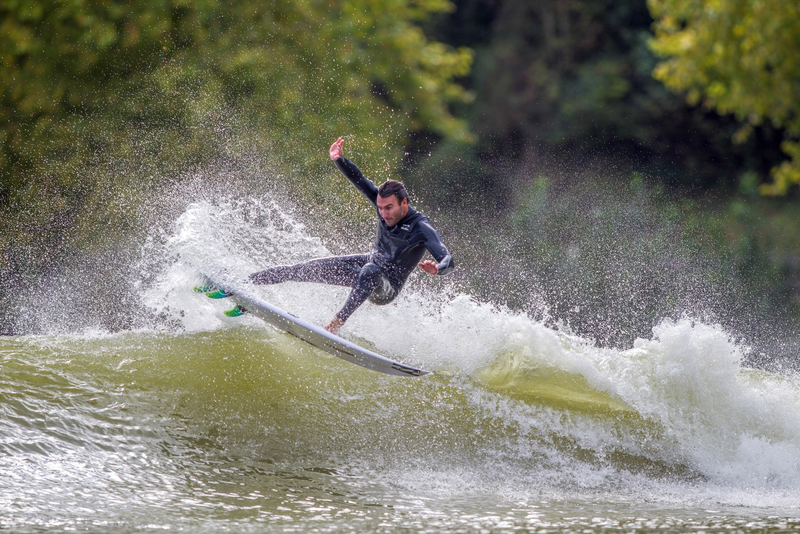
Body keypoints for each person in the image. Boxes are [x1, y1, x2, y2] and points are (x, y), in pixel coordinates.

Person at [249, 137, 454, 335]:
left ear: (404, 203)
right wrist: (338, 159)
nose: (384, 214)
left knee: (371, 270)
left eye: (389, 208)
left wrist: (438, 269)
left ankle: (335, 325)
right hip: (366, 266)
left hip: (385, 287)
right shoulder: (382, 204)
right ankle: (245, 283)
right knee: (305, 268)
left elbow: (448, 259)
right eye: (380, 208)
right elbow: (359, 179)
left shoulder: (421, 227)